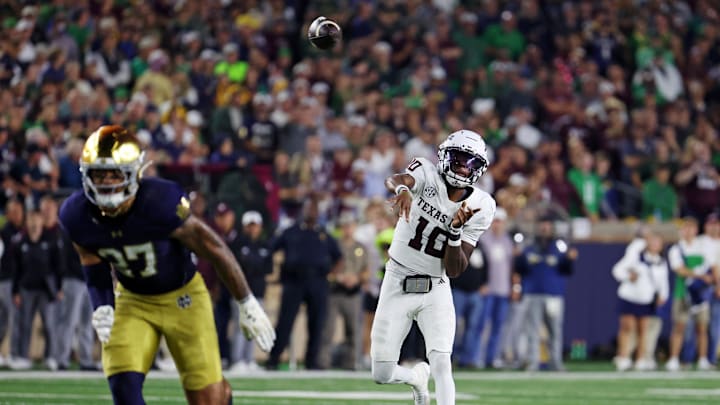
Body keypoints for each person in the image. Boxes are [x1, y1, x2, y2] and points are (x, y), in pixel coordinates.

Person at [58, 125, 275, 405]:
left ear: (135, 172)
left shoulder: (161, 201)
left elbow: (214, 248)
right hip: (133, 300)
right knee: (124, 389)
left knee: (208, 400)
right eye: (100, 174)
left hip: (183, 297)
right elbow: (92, 260)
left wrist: (245, 301)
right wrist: (102, 303)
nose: (107, 182)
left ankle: (224, 394)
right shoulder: (76, 213)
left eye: (115, 173)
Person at [371, 130, 496, 405]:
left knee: (441, 361)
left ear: (479, 168)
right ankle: (415, 378)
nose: (463, 166)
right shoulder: (426, 173)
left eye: (470, 162)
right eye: (459, 158)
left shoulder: (480, 205)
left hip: (435, 286)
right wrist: (403, 190)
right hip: (397, 279)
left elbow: (454, 270)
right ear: (444, 157)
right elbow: (395, 179)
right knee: (381, 372)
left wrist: (454, 232)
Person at [266, 197, 342, 370]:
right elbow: (272, 249)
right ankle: (273, 359)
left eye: (314, 209)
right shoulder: (290, 231)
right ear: (303, 211)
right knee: (285, 321)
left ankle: (311, 361)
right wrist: (274, 272)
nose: (311, 212)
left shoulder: (323, 234)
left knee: (316, 322)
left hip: (318, 281)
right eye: (308, 209)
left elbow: (338, 258)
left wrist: (331, 276)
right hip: (293, 281)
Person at [514, 215, 578, 371]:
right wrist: (518, 258)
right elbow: (520, 269)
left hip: (553, 294)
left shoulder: (559, 247)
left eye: (548, 226)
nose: (545, 228)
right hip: (533, 293)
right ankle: (533, 362)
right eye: (542, 225)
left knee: (555, 331)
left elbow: (567, 270)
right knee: (532, 331)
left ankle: (555, 362)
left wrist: (570, 259)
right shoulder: (528, 246)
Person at [611, 232, 669, 371]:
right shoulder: (635, 256)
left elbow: (663, 282)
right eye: (652, 242)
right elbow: (617, 270)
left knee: (643, 331)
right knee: (627, 328)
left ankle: (640, 359)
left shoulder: (661, 262)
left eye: (658, 243)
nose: (655, 245)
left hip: (646, 299)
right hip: (629, 297)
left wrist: (663, 296)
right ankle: (624, 357)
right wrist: (628, 276)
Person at [665, 217, 716, 371]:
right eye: (685, 228)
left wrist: (710, 280)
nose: (688, 231)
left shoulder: (703, 247)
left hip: (700, 295)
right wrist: (700, 276)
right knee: (679, 327)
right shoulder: (676, 248)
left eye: (691, 228)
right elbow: (679, 269)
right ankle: (673, 358)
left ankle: (702, 359)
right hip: (683, 293)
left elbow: (712, 266)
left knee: (702, 328)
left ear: (696, 230)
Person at [229, 210, 273, 372]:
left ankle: (249, 360)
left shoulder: (264, 245)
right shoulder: (237, 244)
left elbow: (268, 268)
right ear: (244, 226)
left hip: (258, 291)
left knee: (255, 326)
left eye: (255, 226)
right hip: (240, 292)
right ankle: (237, 360)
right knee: (241, 327)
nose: (253, 229)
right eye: (250, 225)